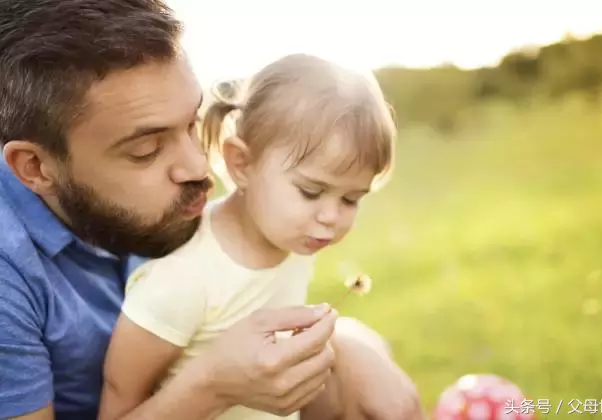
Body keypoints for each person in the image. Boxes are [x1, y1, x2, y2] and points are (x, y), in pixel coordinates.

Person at [0, 1, 423, 419]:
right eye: (146, 150)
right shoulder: (8, 278)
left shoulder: (199, 206)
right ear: (36, 167)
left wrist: (349, 347)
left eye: (192, 124)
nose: (201, 167)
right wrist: (212, 385)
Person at [98, 52, 406, 420]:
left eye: (351, 199)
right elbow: (118, 409)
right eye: (310, 191)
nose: (331, 217)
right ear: (242, 164)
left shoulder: (292, 239)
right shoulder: (181, 280)